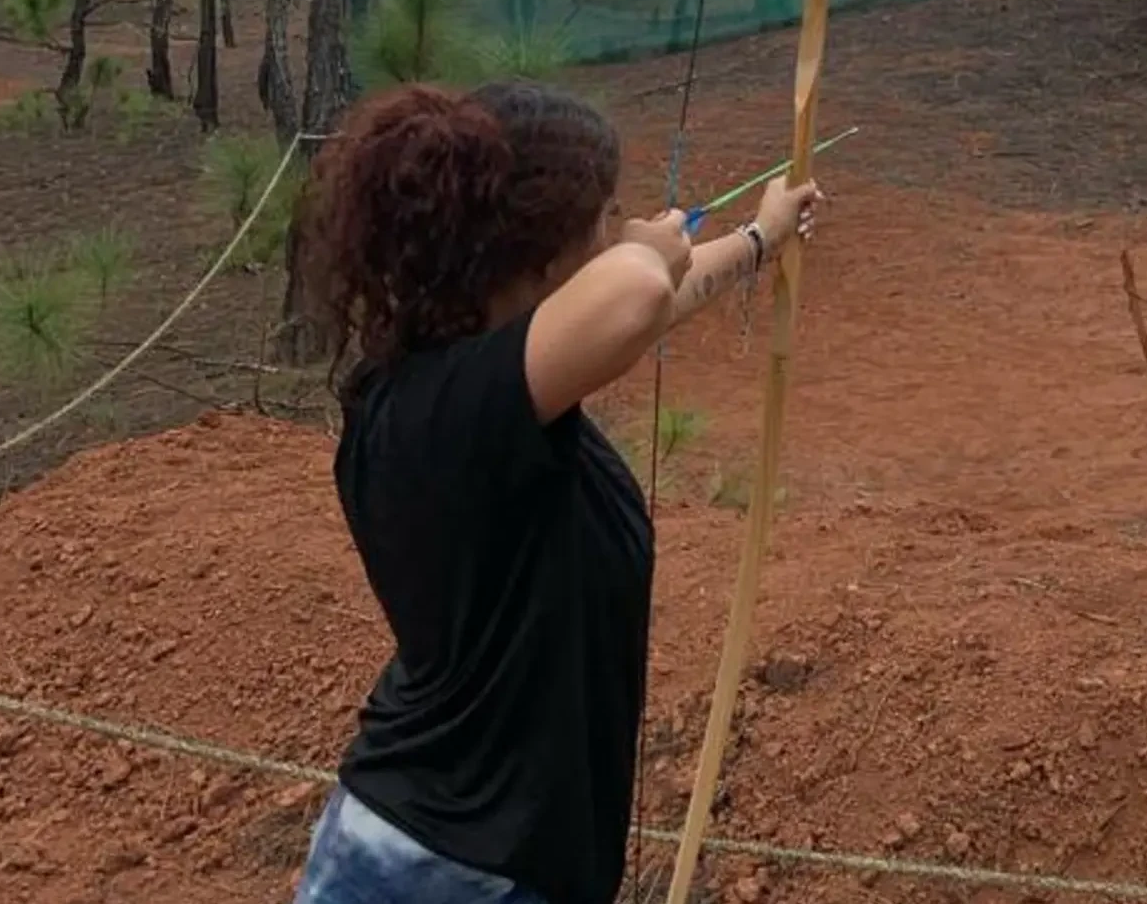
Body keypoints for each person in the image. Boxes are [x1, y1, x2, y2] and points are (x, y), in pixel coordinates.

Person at [291, 80, 822, 904]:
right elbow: (639, 293)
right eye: (605, 218)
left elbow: (655, 301)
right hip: (450, 873)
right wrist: (646, 251)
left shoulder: (463, 383)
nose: (620, 231)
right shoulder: (448, 412)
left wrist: (758, 237)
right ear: (541, 257)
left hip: (441, 849)